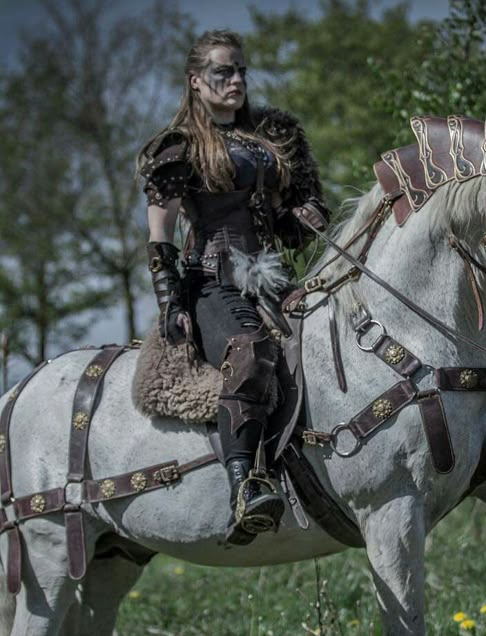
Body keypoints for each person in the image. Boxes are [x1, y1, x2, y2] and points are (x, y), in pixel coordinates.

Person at [137, 29, 329, 545]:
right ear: (196, 81)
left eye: (241, 70)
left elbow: (282, 218)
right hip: (211, 282)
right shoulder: (177, 148)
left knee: (335, 337)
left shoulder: (265, 141)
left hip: (273, 276)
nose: (237, 80)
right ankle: (245, 487)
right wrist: (170, 301)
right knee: (250, 350)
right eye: (223, 71)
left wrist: (302, 216)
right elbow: (160, 236)